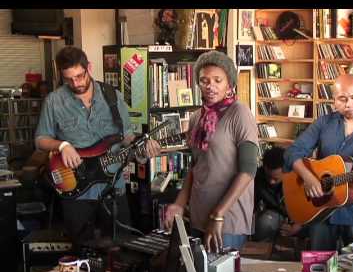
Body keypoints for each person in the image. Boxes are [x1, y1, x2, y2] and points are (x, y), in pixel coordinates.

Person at [35, 46, 162, 251]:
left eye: (80, 76)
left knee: (120, 252)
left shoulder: (113, 96)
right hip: (75, 191)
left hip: (113, 188)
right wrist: (63, 145)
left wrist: (141, 148)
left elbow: (126, 136)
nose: (76, 83)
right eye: (69, 79)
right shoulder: (54, 101)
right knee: (80, 253)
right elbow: (40, 139)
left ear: (89, 68)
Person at [283, 74, 353, 251]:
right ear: (334, 99)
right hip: (321, 210)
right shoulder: (323, 123)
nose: (348, 104)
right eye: (342, 99)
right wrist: (309, 178)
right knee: (319, 267)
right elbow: (292, 152)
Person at [164, 50, 259, 252]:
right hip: (199, 214)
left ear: (229, 83)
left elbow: (249, 170)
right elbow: (195, 167)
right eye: (204, 80)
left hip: (228, 218)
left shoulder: (240, 113)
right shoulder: (196, 118)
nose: (210, 86)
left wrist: (219, 214)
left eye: (218, 80)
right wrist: (179, 204)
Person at [253, 146, 304, 242]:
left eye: (276, 178)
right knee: (264, 223)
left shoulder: (299, 176)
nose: (271, 182)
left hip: (301, 217)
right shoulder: (258, 177)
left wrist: (298, 226)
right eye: (268, 177)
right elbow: (253, 206)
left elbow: (311, 209)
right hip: (275, 213)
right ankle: (262, 252)